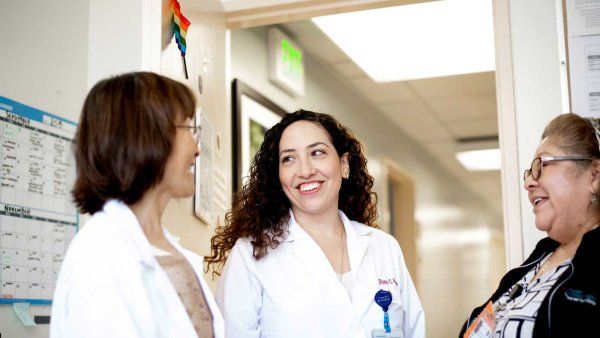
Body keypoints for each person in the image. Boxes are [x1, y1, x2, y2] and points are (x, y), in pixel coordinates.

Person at [206, 109, 424, 338]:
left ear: (344, 164)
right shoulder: (251, 254)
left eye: (317, 152)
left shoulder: (384, 248)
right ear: (278, 176)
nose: (305, 170)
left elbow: (414, 332)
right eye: (289, 158)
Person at [50, 72, 224, 338]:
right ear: (144, 136)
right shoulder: (99, 253)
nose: (197, 149)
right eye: (188, 129)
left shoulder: (171, 251)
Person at [459, 113, 600, 338]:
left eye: (541, 166)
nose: (527, 183)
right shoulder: (538, 260)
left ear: (594, 175)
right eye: (529, 171)